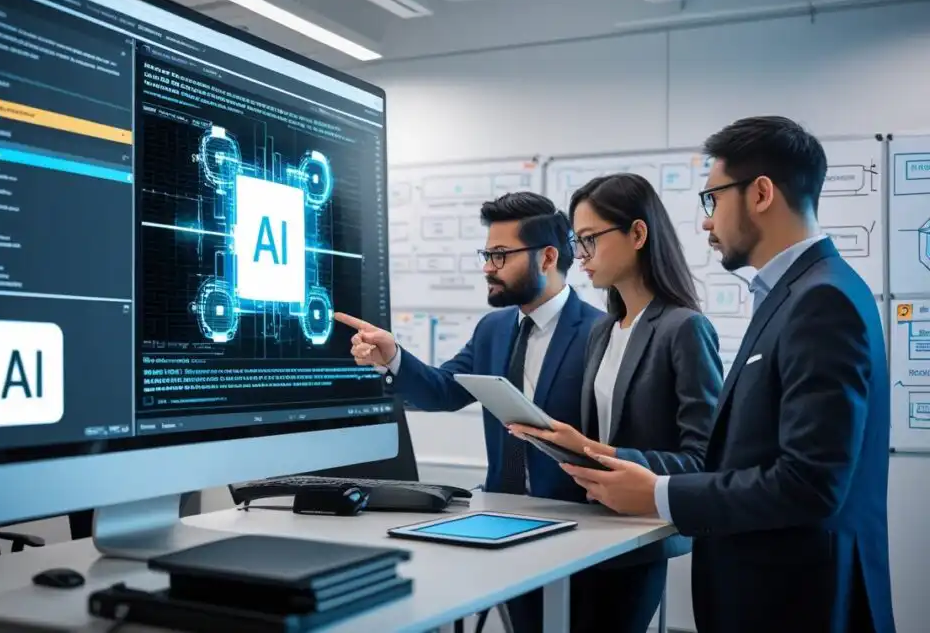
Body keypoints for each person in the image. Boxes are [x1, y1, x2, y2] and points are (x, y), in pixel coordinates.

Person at [566, 117, 895, 633]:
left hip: (797, 601)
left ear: (760, 193)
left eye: (712, 200)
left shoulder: (822, 299)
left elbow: (810, 484)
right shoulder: (799, 293)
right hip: (773, 591)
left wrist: (659, 494)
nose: (705, 222)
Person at [334, 191, 603, 632]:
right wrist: (392, 355)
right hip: (504, 522)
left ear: (548, 256)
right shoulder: (493, 328)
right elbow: (443, 391)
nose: (487, 268)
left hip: (580, 531)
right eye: (487, 254)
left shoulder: (599, 330)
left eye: (499, 255)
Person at [507, 173, 722, 633]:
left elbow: (705, 459)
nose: (579, 257)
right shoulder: (604, 330)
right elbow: (598, 439)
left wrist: (601, 453)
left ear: (638, 234)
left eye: (589, 241)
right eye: (575, 243)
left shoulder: (683, 328)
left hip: (638, 540)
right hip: (590, 531)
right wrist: (569, 444)